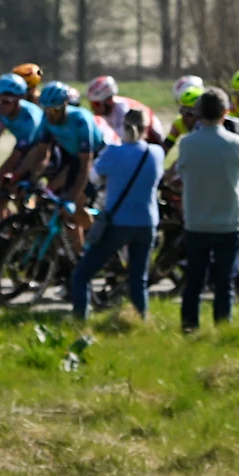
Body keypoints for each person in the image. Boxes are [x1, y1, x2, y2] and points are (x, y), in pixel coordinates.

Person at [75, 103, 164, 324]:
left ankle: (79, 321)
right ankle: (140, 322)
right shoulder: (156, 153)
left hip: (118, 222)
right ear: (146, 129)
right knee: (138, 278)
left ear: (123, 127)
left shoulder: (113, 152)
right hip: (148, 222)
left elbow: (94, 178)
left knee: (82, 275)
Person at [170, 91, 239, 331]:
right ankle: (222, 326)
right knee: (225, 281)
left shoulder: (187, 143)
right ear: (225, 112)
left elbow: (181, 172)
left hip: (197, 221)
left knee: (194, 279)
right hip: (230, 221)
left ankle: (189, 325)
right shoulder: (237, 143)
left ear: (197, 113)